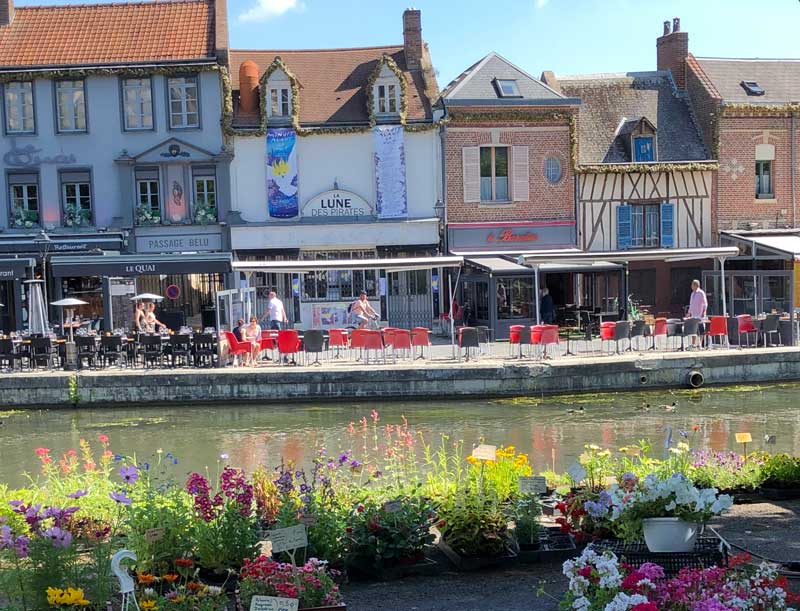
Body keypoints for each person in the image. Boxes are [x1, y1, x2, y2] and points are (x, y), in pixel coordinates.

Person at [687, 279, 707, 348]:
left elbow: (705, 303)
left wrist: (704, 311)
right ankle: (693, 344)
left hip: (700, 315)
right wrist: (689, 312)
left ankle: (700, 344)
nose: (691, 286)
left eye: (692, 285)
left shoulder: (701, 293)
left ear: (695, 285)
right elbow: (691, 304)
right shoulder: (692, 294)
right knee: (694, 329)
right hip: (693, 314)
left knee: (701, 329)